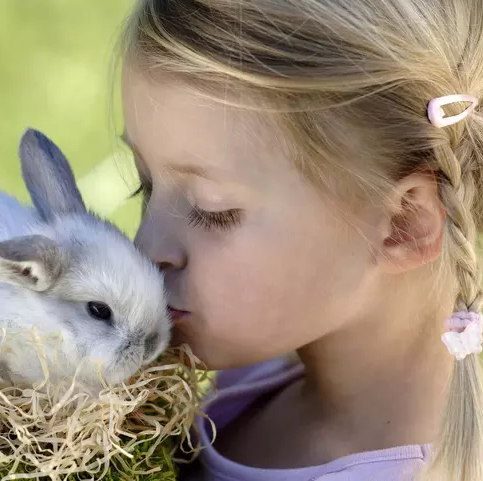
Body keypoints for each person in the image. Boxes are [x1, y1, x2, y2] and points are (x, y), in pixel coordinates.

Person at [114, 0, 483, 480]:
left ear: (403, 224)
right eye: (144, 184)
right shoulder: (254, 373)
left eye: (214, 211)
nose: (145, 248)